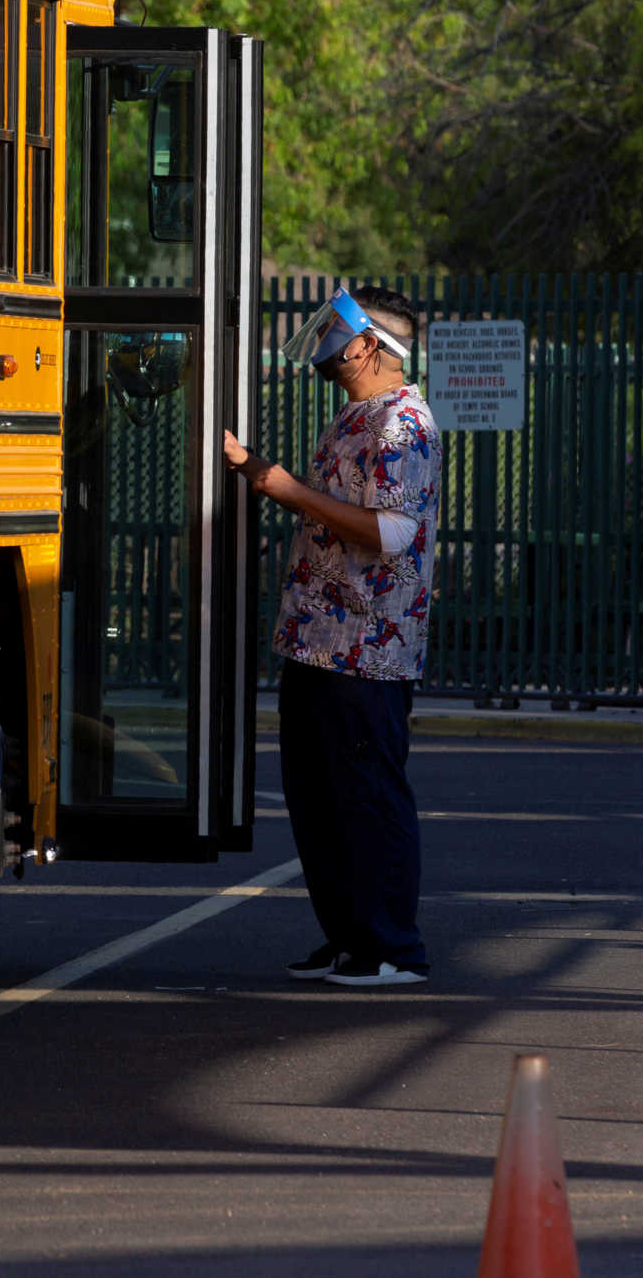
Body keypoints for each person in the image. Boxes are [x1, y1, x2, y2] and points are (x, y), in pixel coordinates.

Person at [221, 285, 442, 988]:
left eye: (338, 331)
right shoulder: (354, 417)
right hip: (318, 639)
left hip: (368, 648)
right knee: (319, 797)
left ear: (370, 344)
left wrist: (282, 486)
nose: (325, 343)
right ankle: (350, 936)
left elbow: (395, 531)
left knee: (368, 794)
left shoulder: (404, 423)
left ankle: (392, 947)